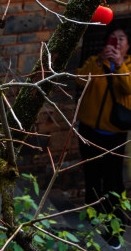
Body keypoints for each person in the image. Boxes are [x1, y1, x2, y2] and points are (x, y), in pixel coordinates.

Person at [76, 26, 131, 249]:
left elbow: (127, 89)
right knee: (91, 179)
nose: (116, 43)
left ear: (127, 45)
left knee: (113, 184)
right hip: (88, 132)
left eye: (122, 39)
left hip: (114, 136)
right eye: (113, 38)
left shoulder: (128, 67)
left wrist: (118, 66)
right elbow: (80, 80)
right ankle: (92, 219)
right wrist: (99, 62)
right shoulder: (94, 61)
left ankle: (114, 231)